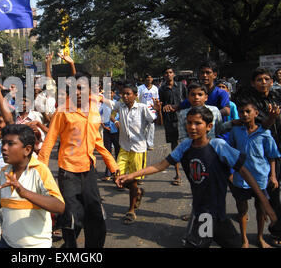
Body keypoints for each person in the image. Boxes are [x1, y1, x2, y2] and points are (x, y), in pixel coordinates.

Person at [115, 106, 277, 248]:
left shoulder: (218, 146)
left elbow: (244, 171)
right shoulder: (185, 146)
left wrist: (266, 204)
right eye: (189, 122)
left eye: (197, 123)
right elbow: (160, 165)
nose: (192, 127)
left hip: (219, 214)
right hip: (204, 214)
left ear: (209, 127)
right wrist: (132, 175)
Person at [38, 72, 119, 248]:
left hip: (89, 171)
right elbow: (49, 141)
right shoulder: (62, 112)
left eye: (81, 89)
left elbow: (97, 141)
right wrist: (40, 173)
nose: (77, 93)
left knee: (96, 218)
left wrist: (113, 167)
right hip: (68, 172)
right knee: (72, 219)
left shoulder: (94, 108)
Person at [235, 67, 281, 246]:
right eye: (260, 79)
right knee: (254, 198)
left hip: (275, 149)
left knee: (274, 191)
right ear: (253, 82)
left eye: (267, 79)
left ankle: (275, 232)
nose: (264, 82)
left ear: (272, 81)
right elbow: (259, 126)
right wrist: (270, 119)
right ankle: (247, 236)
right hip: (258, 151)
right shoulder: (249, 101)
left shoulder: (277, 97)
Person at [106, 82, 162, 223]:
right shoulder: (120, 106)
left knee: (132, 180)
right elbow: (107, 102)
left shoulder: (142, 108)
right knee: (117, 177)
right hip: (124, 148)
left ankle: (131, 211)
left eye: (128, 94)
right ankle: (137, 193)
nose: (124, 96)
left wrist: (158, 110)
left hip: (138, 150)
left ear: (135, 96)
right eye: (122, 94)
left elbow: (156, 121)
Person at [159, 67, 187, 185]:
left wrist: (178, 107)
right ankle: (177, 174)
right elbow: (161, 105)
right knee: (174, 147)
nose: (168, 75)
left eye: (170, 72)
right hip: (170, 121)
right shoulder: (162, 89)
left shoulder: (181, 86)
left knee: (187, 145)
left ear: (174, 74)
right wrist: (162, 108)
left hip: (183, 119)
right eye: (166, 73)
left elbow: (187, 101)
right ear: (164, 75)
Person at [99, 89, 120, 181]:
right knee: (107, 153)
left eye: (110, 92)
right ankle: (108, 173)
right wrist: (103, 126)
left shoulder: (118, 103)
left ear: (113, 93)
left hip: (117, 131)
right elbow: (99, 115)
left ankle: (118, 173)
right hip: (107, 130)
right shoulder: (103, 104)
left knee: (118, 152)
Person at [138, 73, 160, 150]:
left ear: (152, 79)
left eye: (150, 78)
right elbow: (137, 99)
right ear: (145, 79)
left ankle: (150, 143)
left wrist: (156, 107)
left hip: (152, 110)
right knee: (142, 127)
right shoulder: (140, 88)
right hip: (142, 109)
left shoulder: (155, 88)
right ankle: (142, 143)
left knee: (151, 127)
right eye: (147, 78)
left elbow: (157, 99)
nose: (149, 79)